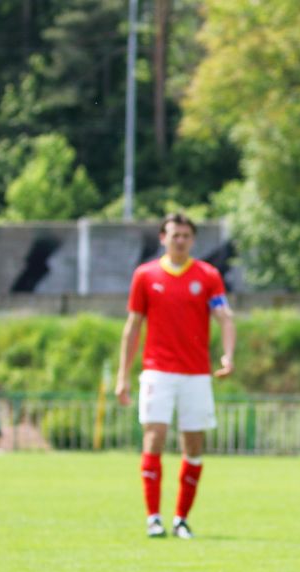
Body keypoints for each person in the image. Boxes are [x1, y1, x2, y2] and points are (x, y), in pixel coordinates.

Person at [115, 212, 236, 540]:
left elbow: (224, 317)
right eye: (174, 235)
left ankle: (181, 519)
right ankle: (153, 518)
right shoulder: (145, 275)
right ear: (163, 238)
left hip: (196, 374)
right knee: (154, 437)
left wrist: (228, 355)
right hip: (157, 371)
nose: (180, 240)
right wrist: (123, 376)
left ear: (192, 240)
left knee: (193, 446)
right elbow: (133, 327)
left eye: (186, 235)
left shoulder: (208, 275)